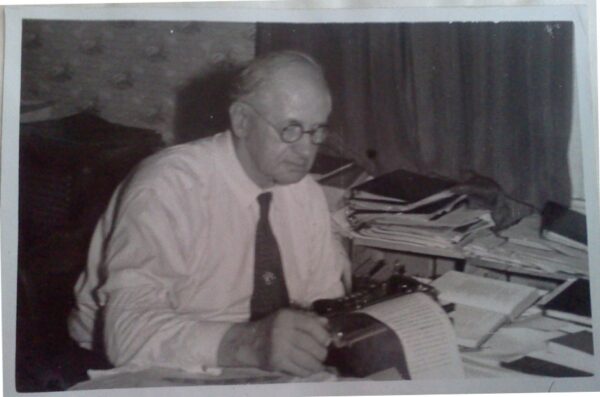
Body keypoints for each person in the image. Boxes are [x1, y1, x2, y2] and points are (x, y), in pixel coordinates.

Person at [68, 51, 350, 377]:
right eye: (291, 129)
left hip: (252, 369)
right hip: (129, 365)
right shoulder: (168, 186)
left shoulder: (305, 193)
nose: (306, 150)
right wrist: (249, 344)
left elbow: (323, 303)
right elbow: (127, 334)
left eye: (317, 131)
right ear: (242, 120)